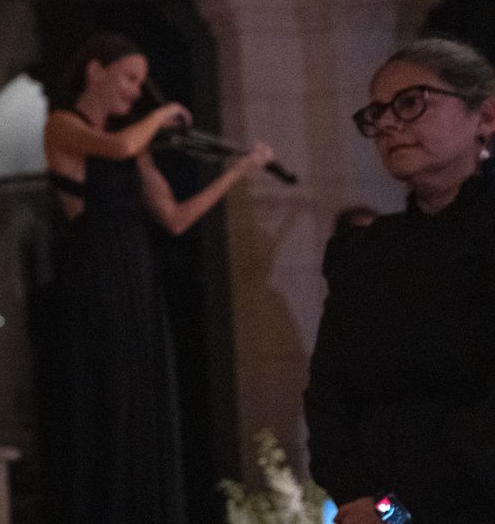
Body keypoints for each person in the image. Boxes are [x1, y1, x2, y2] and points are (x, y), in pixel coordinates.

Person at [37, 33, 274, 524]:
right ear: (95, 71)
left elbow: (176, 218)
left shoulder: (138, 148)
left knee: (143, 398)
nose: (135, 91)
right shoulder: (63, 124)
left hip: (137, 275)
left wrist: (237, 171)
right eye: (129, 77)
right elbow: (118, 146)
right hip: (95, 273)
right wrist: (163, 116)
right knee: (105, 396)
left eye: (141, 83)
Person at [306, 38, 495, 524]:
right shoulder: (365, 252)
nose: (387, 123)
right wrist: (353, 496)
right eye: (377, 113)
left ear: (486, 117)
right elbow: (330, 393)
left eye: (410, 103)